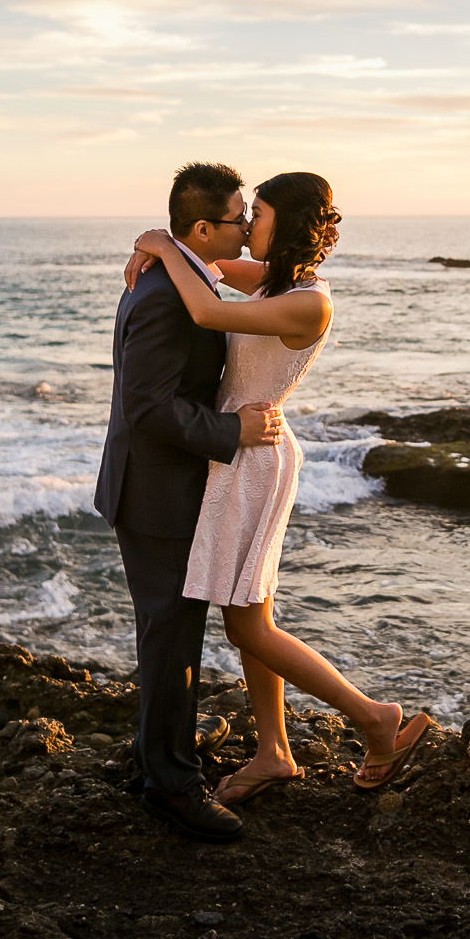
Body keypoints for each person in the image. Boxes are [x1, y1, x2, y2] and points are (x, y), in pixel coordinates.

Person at [127, 171, 433, 807]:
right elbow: (203, 266)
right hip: (235, 447)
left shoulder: (309, 302)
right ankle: (275, 751)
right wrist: (159, 246)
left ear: (284, 225)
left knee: (248, 625)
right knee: (250, 612)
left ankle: (375, 720)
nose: (246, 227)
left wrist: (160, 240)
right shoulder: (272, 281)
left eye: (256, 215)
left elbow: (206, 308)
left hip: (254, 456)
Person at [94, 162, 284, 843]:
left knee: (171, 631)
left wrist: (159, 243)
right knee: (169, 633)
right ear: (203, 228)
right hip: (154, 490)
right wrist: (234, 430)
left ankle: (163, 758)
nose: (245, 224)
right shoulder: (167, 296)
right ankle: (170, 785)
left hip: (165, 484)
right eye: (238, 217)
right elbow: (148, 408)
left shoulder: (185, 274)